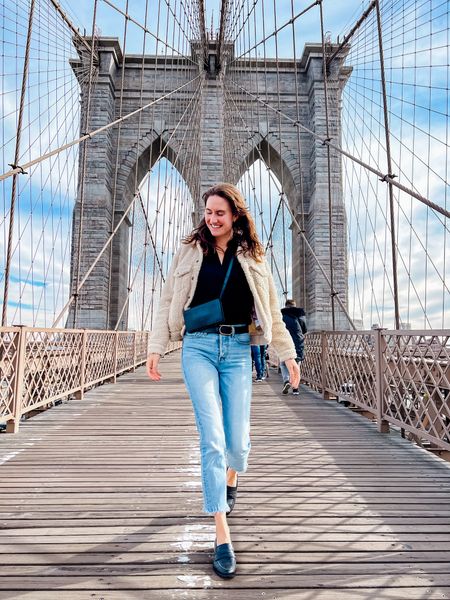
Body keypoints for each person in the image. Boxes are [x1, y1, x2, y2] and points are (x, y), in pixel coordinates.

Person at [146, 183, 300, 579]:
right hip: (196, 347)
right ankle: (221, 533)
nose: (212, 219)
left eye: (220, 213)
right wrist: (156, 346)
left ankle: (231, 478)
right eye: (208, 212)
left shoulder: (254, 257)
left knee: (238, 444)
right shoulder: (189, 249)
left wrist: (287, 355)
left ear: (235, 216)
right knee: (212, 439)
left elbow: (271, 313)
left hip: (236, 350)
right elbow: (168, 300)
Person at [280, 299, 307, 395]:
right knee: (296, 363)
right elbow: (304, 328)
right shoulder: (300, 313)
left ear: (286, 305)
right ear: (294, 305)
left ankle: (286, 381)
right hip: (297, 341)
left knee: (283, 363)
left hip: (284, 341)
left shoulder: (280, 314)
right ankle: (295, 388)